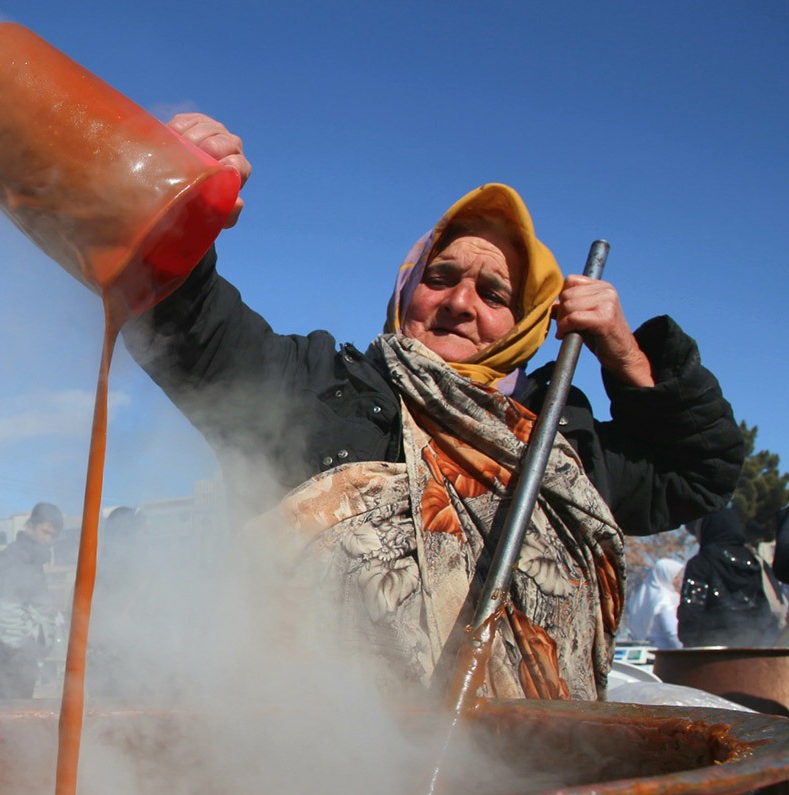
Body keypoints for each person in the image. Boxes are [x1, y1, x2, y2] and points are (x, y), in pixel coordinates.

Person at [120, 114, 743, 702]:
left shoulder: (559, 443)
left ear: (528, 322)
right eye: (440, 278)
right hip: (318, 773)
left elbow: (698, 471)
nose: (461, 303)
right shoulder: (313, 387)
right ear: (406, 287)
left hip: (542, 780)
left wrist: (625, 354)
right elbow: (183, 323)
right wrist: (180, 200)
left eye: (495, 292)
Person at [0, 502, 63, 699]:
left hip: (21, 653)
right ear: (30, 527)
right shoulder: (18, 557)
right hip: (13, 654)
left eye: (53, 536)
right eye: (45, 532)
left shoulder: (32, 558)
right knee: (14, 713)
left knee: (18, 710)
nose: (49, 540)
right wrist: (18, 648)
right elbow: (8, 608)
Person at [679, 509, 779, 648]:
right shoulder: (753, 561)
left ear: (709, 529)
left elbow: (691, 610)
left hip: (709, 651)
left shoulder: (701, 563)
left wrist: (688, 643)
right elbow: (762, 608)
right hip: (752, 647)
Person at [621, 559, 684, 649]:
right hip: (664, 653)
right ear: (666, 576)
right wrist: (685, 652)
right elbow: (672, 632)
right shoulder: (664, 599)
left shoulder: (641, 596)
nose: (679, 581)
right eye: (676, 577)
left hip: (643, 649)